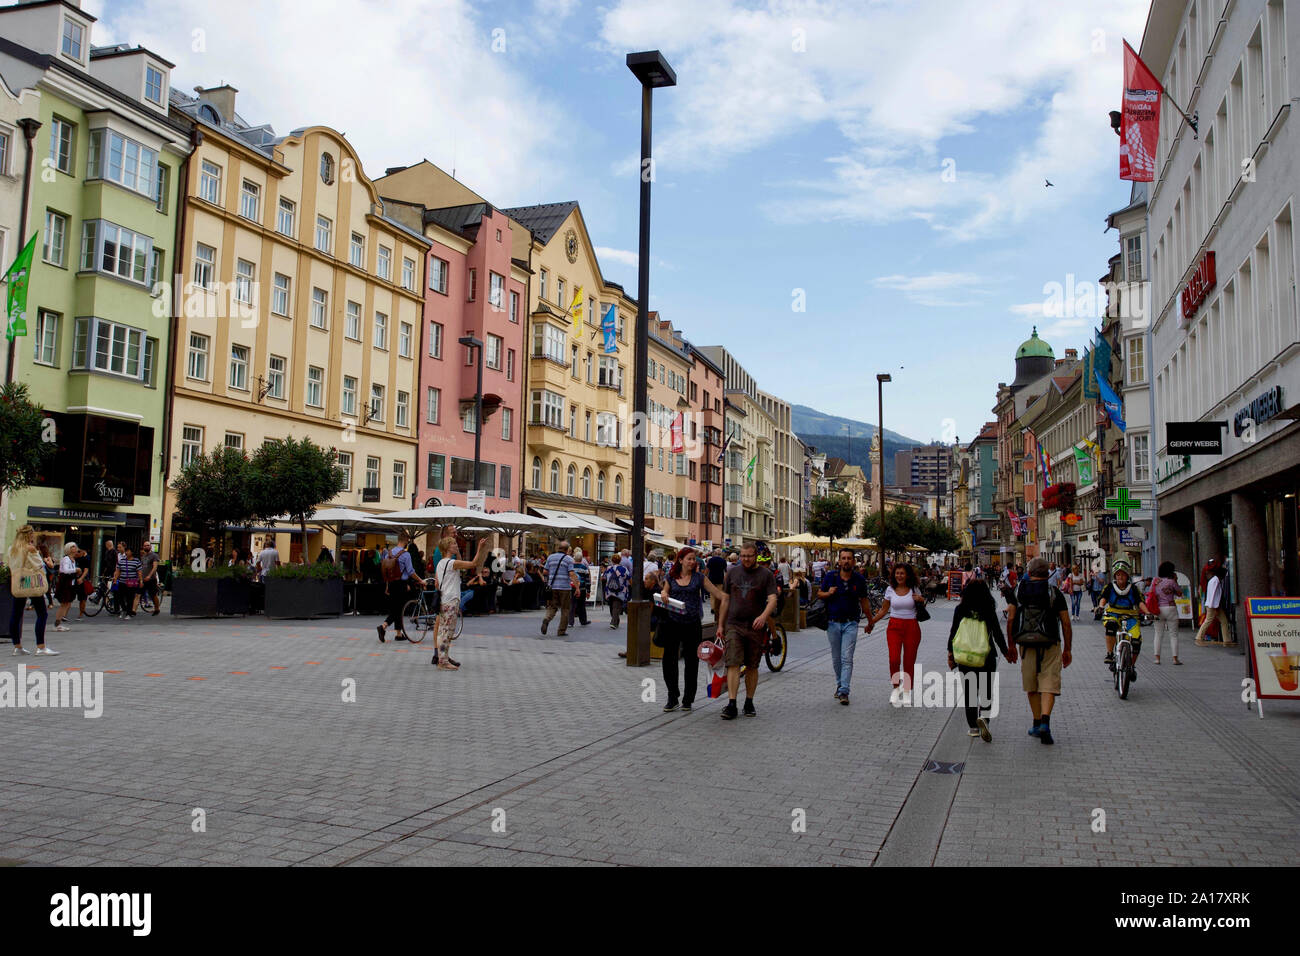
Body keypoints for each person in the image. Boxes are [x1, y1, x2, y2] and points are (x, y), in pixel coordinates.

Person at [1006, 557, 1071, 745]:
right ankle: (1045, 722)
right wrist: (1068, 649)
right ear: (1046, 573)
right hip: (1050, 642)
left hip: (1026, 644)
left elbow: (1010, 619)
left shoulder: (1018, 591)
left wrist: (1011, 645)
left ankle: (1036, 723)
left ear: (1029, 571)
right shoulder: (1054, 593)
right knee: (1049, 683)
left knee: (1032, 684)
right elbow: (1066, 622)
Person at [659, 547, 727, 712]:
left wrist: (721, 623)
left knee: (691, 662)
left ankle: (688, 699)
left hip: (692, 624)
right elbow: (664, 591)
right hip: (673, 622)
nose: (692, 562)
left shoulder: (699, 578)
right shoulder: (671, 577)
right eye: (689, 559)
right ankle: (672, 696)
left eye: (694, 559)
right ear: (680, 560)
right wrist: (663, 593)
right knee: (669, 660)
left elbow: (720, 596)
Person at [715, 542, 778, 720]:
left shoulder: (765, 575)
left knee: (752, 665)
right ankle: (732, 703)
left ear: (756, 555)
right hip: (734, 624)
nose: (746, 559)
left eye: (749, 556)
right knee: (733, 663)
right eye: (743, 556)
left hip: (755, 627)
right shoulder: (733, 573)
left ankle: (749, 701)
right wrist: (720, 625)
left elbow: (772, 599)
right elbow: (725, 600)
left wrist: (763, 616)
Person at [946, 578, 1012, 741]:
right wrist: (1006, 652)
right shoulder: (988, 609)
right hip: (986, 656)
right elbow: (997, 633)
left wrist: (950, 654)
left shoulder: (960, 609)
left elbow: (953, 632)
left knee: (969, 693)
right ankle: (985, 720)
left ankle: (973, 728)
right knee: (986, 691)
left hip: (965, 656)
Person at [817, 549, 874, 705]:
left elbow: (864, 601)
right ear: (839, 561)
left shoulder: (859, 580)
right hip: (832, 622)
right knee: (837, 659)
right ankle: (840, 684)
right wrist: (828, 593)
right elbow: (819, 594)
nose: (847, 561)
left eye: (849, 558)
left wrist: (870, 621)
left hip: (851, 623)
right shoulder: (830, 577)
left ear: (853, 562)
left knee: (846, 658)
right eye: (844, 558)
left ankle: (844, 691)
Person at [868, 563, 927, 705]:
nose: (899, 576)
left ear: (907, 575)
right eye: (897, 573)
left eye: (902, 573)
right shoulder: (890, 590)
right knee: (894, 659)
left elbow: (921, 605)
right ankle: (895, 688)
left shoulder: (914, 589)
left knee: (909, 661)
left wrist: (921, 600)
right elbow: (883, 610)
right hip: (894, 627)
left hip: (911, 627)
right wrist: (871, 622)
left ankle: (906, 691)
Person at [430, 534, 490, 670]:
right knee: (447, 631)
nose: (456, 545)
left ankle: (443, 657)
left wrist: (457, 554)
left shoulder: (441, 563)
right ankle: (443, 661)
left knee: (443, 630)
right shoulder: (451, 563)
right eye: (453, 544)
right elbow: (473, 564)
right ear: (447, 548)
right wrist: (480, 548)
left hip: (444, 599)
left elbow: (438, 582)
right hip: (451, 599)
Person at [7, 526, 59, 656]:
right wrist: (44, 560)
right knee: (42, 613)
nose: (33, 536)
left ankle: (17, 647)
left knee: (16, 614)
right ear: (28, 535)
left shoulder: (11, 549)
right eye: (31, 534)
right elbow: (39, 565)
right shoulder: (30, 548)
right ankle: (41, 647)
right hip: (31, 582)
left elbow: (11, 565)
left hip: (19, 581)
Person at [376, 532, 426, 643]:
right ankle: (383, 626)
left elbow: (387, 571)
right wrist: (420, 580)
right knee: (399, 609)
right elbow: (411, 571)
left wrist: (387, 586)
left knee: (396, 607)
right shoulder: (405, 554)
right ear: (406, 541)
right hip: (401, 584)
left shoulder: (388, 553)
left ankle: (398, 634)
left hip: (391, 583)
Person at [1098, 559, 1146, 666]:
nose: (1120, 577)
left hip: (1130, 616)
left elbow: (1140, 602)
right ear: (1115, 576)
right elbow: (1103, 598)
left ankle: (1131, 666)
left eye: (1123, 575)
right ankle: (1110, 654)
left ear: (1127, 576)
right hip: (1113, 614)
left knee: (1136, 641)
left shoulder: (1133, 589)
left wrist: (1148, 613)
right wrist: (1101, 606)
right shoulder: (1110, 587)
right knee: (1111, 626)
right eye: (1118, 575)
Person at [540, 540, 580, 636]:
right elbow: (571, 574)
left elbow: (545, 572)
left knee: (552, 607)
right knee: (565, 609)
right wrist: (577, 588)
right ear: (567, 550)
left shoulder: (550, 557)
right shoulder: (569, 559)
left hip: (552, 586)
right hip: (565, 588)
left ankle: (546, 619)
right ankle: (561, 631)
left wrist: (554, 573)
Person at [1150, 561, 1183, 665]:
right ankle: (1175, 659)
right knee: (1173, 634)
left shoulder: (1155, 581)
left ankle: (1157, 658)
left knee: (1158, 634)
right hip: (1170, 608)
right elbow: (1180, 593)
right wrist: (1176, 581)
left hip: (1158, 609)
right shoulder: (1171, 581)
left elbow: (1151, 593)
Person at [1194, 563, 1230, 647]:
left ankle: (1227, 640)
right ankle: (1199, 637)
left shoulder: (1213, 580)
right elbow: (1213, 594)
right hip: (1213, 605)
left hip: (1213, 605)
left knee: (1223, 621)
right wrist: (1214, 606)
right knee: (1209, 621)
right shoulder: (1215, 581)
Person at [53, 542, 79, 631]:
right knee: (64, 603)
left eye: (75, 547)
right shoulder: (66, 559)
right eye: (72, 547)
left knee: (66, 603)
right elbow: (65, 570)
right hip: (65, 583)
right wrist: (76, 570)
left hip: (70, 583)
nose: (75, 548)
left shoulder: (73, 559)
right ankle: (57, 623)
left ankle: (59, 621)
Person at [114, 544, 143, 619]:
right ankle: (124, 609)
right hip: (122, 582)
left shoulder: (136, 561)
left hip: (132, 582)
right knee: (120, 597)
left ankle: (128, 613)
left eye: (128, 551)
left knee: (130, 597)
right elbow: (118, 571)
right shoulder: (122, 561)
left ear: (132, 552)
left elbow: (139, 572)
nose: (126, 552)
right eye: (126, 551)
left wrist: (141, 581)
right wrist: (115, 579)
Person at [603, 557, 630, 629]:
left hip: (610, 590)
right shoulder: (624, 569)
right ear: (620, 560)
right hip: (620, 591)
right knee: (616, 606)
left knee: (613, 606)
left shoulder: (609, 568)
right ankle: (615, 621)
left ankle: (614, 622)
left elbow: (604, 578)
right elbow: (629, 577)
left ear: (612, 560)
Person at [569, 548, 591, 627]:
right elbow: (587, 580)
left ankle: (570, 622)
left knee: (572, 605)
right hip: (582, 588)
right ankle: (583, 621)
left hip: (572, 587)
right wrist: (588, 591)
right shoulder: (584, 568)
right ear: (581, 559)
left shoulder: (571, 567)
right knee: (582, 605)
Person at [139, 540, 162, 616]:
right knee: (138, 594)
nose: (146, 547)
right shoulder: (143, 557)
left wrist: (149, 576)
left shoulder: (154, 556)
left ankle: (157, 608)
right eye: (145, 545)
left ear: (150, 546)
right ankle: (133, 611)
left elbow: (155, 567)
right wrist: (141, 578)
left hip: (151, 579)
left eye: (147, 545)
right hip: (143, 578)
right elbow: (142, 568)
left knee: (153, 595)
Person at [705, 548, 727, 618]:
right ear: (720, 553)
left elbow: (707, 569)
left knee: (712, 594)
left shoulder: (711, 560)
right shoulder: (723, 561)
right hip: (720, 579)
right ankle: (718, 607)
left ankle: (712, 608)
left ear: (714, 553)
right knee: (719, 594)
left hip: (712, 579)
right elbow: (725, 571)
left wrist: (705, 576)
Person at [74, 545, 91, 618]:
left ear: (83, 551)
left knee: (83, 597)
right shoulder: (78, 558)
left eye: (79, 551)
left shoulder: (86, 558)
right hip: (77, 578)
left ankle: (81, 613)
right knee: (80, 597)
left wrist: (81, 578)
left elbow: (86, 570)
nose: (77, 553)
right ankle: (81, 612)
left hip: (83, 579)